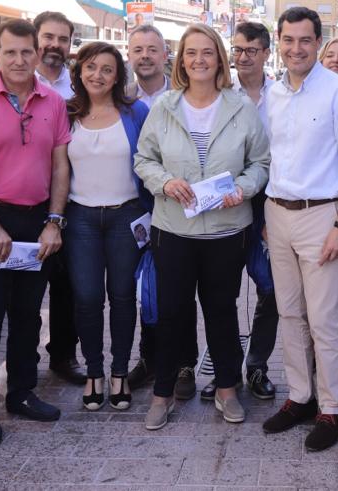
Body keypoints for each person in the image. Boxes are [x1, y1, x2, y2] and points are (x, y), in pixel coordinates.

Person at [134, 23, 269, 430]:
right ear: (180, 61)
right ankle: (162, 394)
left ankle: (227, 389)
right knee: (172, 313)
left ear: (220, 60)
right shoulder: (165, 107)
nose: (199, 60)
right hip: (173, 230)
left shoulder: (240, 107)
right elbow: (144, 159)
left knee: (222, 312)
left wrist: (244, 188)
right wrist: (164, 182)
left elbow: (260, 163)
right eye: (191, 52)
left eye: (207, 52)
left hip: (226, 231)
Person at [0, 19, 71, 447]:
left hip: (36, 222)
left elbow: (60, 166)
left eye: (26, 52)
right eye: (10, 52)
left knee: (27, 315)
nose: (19, 60)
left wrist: (54, 222)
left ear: (37, 54)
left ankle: (21, 393)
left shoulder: (53, 101)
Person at [260, 7, 338, 452]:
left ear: (318, 43)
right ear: (279, 42)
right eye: (288, 40)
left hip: (322, 215)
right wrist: (267, 217)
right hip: (277, 213)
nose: (296, 48)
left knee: (324, 318)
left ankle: (332, 407)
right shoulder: (273, 93)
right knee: (289, 312)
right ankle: (300, 396)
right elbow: (269, 156)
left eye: (305, 40)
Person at [63, 43, 152, 411]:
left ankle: (119, 373)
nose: (97, 75)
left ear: (117, 77)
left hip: (125, 216)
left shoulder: (136, 112)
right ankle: (93, 372)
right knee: (86, 298)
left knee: (122, 296)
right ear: (79, 71)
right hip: (80, 218)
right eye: (90, 67)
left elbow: (151, 160)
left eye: (106, 69)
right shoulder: (66, 112)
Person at [199, 20, 280, 402]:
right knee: (222, 292)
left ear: (266, 53)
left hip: (270, 202)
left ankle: (257, 365)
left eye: (251, 50)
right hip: (224, 201)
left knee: (270, 288)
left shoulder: (282, 96)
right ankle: (225, 370)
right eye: (237, 50)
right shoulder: (218, 94)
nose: (243, 57)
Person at [123, 24, 199, 399]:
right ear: (129, 55)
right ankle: (149, 358)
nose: (145, 56)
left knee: (180, 288)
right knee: (147, 289)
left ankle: (185, 363)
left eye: (152, 49)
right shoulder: (121, 99)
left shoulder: (184, 96)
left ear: (165, 54)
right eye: (138, 50)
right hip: (136, 207)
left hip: (178, 204)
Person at [31, 12, 84, 385]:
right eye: (48, 37)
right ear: (35, 38)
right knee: (27, 288)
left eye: (63, 39)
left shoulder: (79, 88)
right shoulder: (17, 79)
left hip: (71, 202)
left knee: (68, 287)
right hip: (28, 200)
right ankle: (24, 357)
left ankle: (64, 355)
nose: (55, 45)